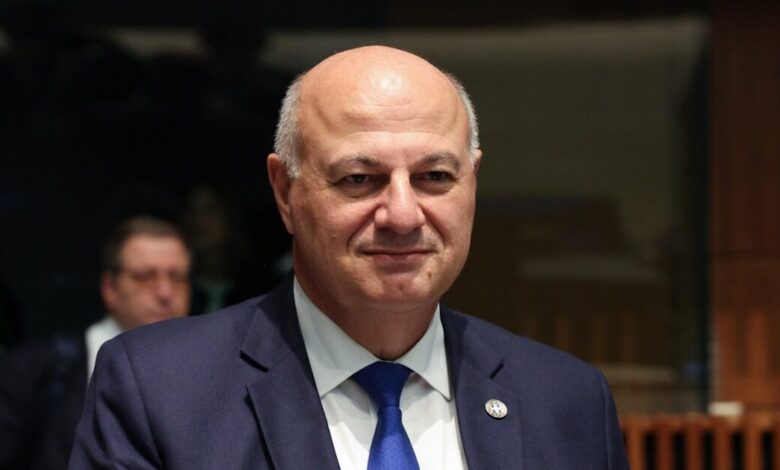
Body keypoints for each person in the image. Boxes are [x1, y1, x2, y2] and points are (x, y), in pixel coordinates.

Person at [70, 46, 629, 469]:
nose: (403, 215)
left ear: (473, 182)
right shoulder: (160, 392)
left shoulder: (567, 401)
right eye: (360, 178)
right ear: (285, 193)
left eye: (435, 176)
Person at [0, 215, 191, 470]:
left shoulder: (217, 370)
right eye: (145, 276)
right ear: (110, 288)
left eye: (177, 277)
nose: (165, 292)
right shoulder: (34, 371)